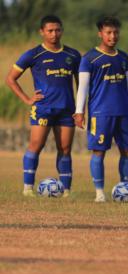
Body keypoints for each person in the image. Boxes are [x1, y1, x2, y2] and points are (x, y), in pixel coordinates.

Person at [5, 15, 81, 197]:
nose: (54, 34)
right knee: (36, 145)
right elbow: (10, 79)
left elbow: (82, 84)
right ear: (42, 32)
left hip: (66, 109)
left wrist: (80, 108)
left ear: (61, 30)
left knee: (65, 149)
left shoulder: (73, 55)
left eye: (57, 30)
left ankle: (66, 190)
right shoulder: (33, 54)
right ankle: (28, 188)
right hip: (43, 108)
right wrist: (27, 99)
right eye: (50, 30)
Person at [74, 16, 128, 202]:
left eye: (116, 32)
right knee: (99, 152)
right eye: (109, 32)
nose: (113, 36)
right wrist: (79, 111)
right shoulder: (89, 58)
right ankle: (99, 193)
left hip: (124, 113)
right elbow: (83, 87)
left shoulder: (123, 57)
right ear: (100, 34)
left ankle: (126, 189)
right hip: (100, 113)